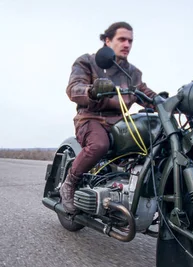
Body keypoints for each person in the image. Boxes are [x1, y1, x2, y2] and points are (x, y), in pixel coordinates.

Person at [60, 21, 157, 213]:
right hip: (91, 118)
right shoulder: (87, 62)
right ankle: (69, 184)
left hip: (120, 123)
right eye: (122, 39)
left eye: (130, 41)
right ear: (107, 41)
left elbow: (147, 94)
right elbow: (74, 89)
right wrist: (92, 90)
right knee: (99, 145)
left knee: (152, 145)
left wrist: (172, 102)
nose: (127, 44)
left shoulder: (132, 73)